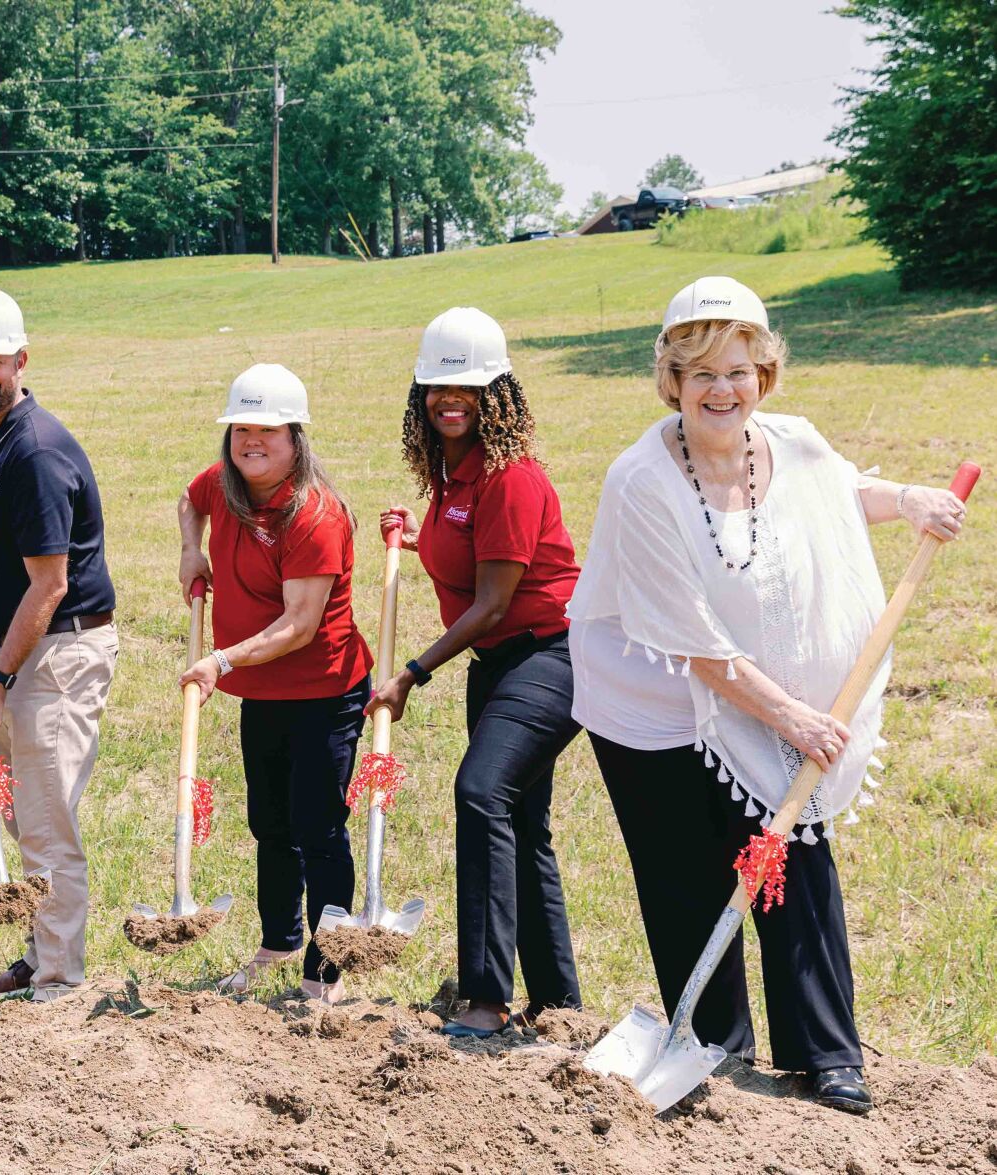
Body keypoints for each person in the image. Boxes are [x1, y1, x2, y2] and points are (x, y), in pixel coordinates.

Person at [567, 276, 967, 1113]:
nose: (722, 388)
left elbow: (835, 493)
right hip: (652, 696)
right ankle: (713, 1045)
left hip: (757, 684)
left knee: (793, 853)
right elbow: (692, 640)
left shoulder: (791, 441)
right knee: (688, 873)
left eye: (740, 370)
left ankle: (828, 1053)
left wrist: (910, 500)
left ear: (765, 376)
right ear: (670, 378)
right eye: (701, 371)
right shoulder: (640, 480)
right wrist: (791, 716)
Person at [371, 307, 584, 1036]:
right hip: (499, 664)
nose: (447, 400)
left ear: (499, 393)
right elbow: (459, 564)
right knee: (522, 822)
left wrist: (409, 673)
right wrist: (404, 538)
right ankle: (558, 1003)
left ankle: (486, 998)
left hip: (552, 655)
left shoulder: (510, 477)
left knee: (480, 790)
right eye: (434, 387)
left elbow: (493, 604)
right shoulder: (452, 476)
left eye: (464, 388)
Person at [0, 284, 119, 1003]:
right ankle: (37, 953)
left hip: (52, 656)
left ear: (20, 358)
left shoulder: (37, 451)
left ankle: (58, 979)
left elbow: (48, 587)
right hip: (13, 648)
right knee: (24, 817)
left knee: (46, 825)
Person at [178, 364, 372, 1004]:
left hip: (324, 691)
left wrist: (221, 662)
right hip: (263, 693)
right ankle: (280, 940)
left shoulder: (314, 514)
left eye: (267, 430)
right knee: (270, 822)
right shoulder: (225, 485)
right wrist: (191, 550)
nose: (251, 441)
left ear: (296, 437)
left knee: (318, 826)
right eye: (241, 429)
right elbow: (190, 500)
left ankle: (327, 970)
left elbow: (297, 626)